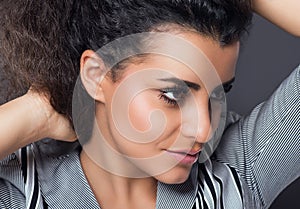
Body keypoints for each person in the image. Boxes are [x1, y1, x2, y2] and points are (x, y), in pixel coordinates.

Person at [0, 0, 299, 209]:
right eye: (172, 95)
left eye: (216, 96)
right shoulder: (19, 190)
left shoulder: (239, 168)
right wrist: (36, 113)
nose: (204, 130)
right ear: (96, 74)